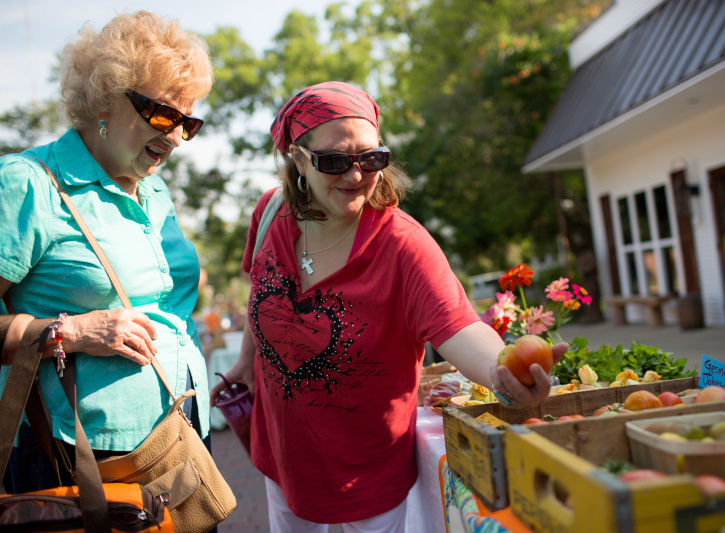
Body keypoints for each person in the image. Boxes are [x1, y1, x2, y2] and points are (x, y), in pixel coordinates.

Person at [210, 81, 568, 532]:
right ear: (297, 159)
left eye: (371, 158)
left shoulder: (403, 245)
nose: (356, 175)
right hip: (282, 460)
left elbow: (459, 326)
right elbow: (262, 291)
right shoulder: (270, 213)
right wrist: (246, 360)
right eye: (335, 161)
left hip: (367, 480)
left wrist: (501, 371)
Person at [0, 10, 214, 498]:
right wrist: (71, 330)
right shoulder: (27, 183)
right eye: (162, 114)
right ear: (106, 101)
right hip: (78, 455)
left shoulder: (153, 190)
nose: (177, 136)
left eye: (189, 121)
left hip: (178, 436)